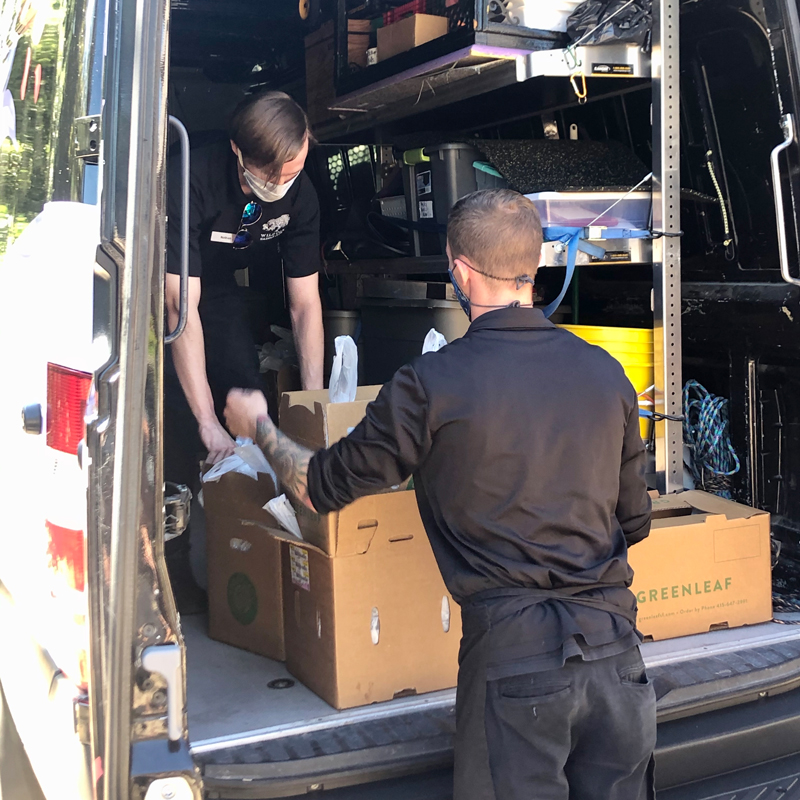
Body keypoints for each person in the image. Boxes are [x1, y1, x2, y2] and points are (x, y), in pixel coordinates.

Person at [224, 189, 656, 799]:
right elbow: (635, 520)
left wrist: (259, 427)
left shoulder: (429, 387)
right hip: (619, 662)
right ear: (535, 268)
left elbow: (316, 489)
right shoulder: (607, 374)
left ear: (459, 271)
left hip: (516, 665)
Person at [164, 91, 324, 612]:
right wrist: (207, 421)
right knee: (180, 418)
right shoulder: (193, 176)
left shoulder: (302, 197)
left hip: (219, 283)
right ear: (237, 151)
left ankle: (251, 544)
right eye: (269, 175)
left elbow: (305, 305)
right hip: (163, 283)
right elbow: (177, 309)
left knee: (245, 391)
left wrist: (315, 404)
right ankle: (172, 567)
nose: (280, 184)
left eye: (292, 171)